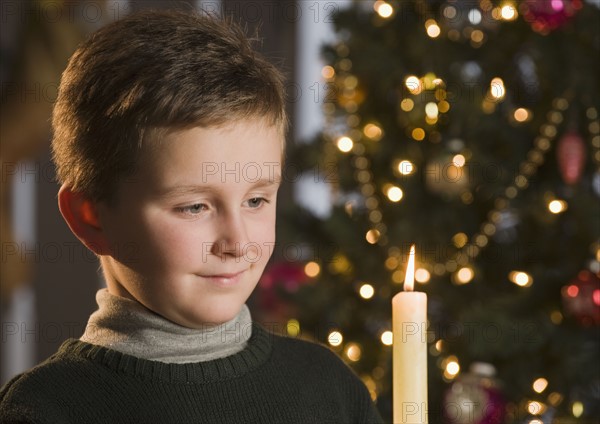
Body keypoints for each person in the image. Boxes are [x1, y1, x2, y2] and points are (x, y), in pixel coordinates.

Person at [0, 9, 383, 423]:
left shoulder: (328, 388)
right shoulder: (46, 409)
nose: (238, 243)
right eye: (195, 206)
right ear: (90, 216)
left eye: (256, 201)